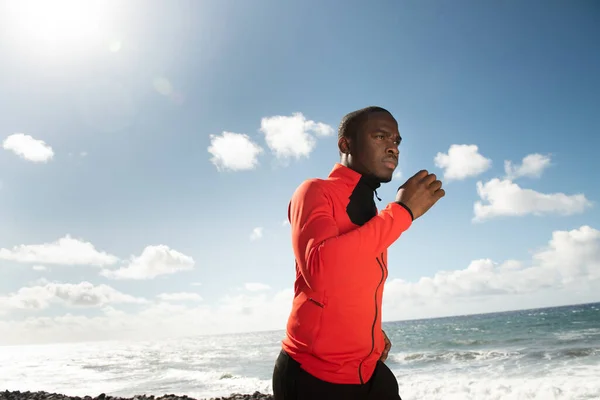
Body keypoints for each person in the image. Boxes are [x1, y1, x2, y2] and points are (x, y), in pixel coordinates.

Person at [272, 106, 445, 400]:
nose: (393, 147)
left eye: (397, 141)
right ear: (345, 144)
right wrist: (403, 212)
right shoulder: (314, 191)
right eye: (380, 136)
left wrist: (369, 332)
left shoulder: (372, 211)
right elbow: (322, 270)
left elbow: (355, 282)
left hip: (367, 371)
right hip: (312, 377)